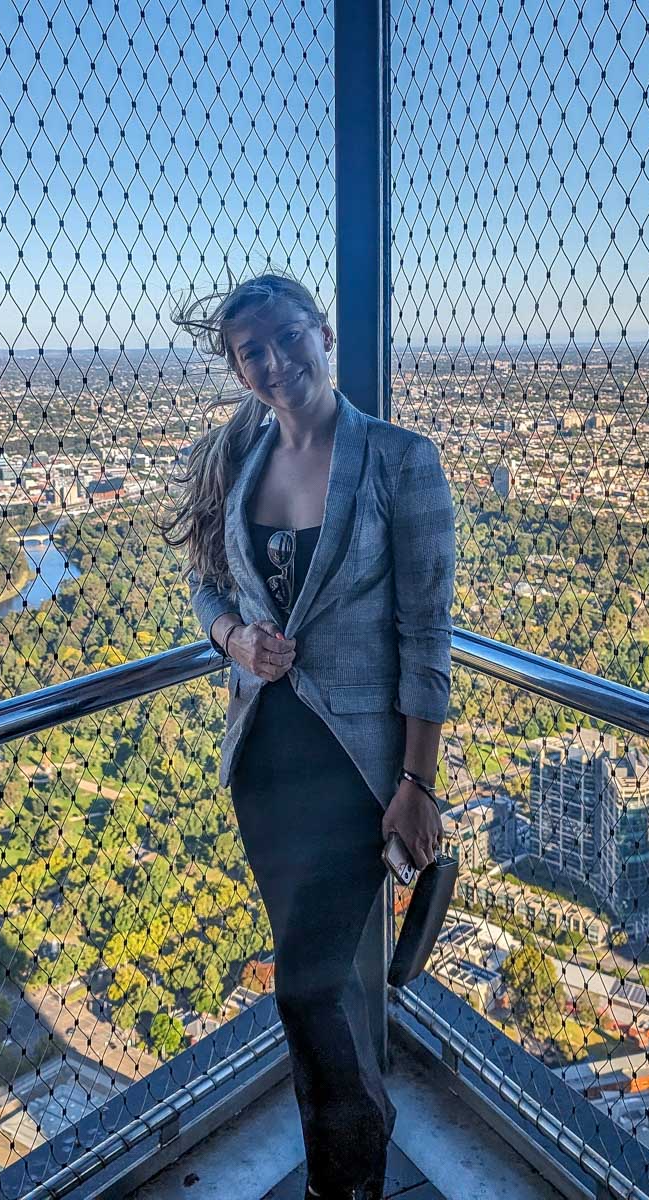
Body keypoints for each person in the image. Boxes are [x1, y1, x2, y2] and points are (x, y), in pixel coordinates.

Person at [158, 271, 455, 1199]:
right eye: (255, 351)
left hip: (359, 770)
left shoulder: (404, 461)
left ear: (324, 331)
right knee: (323, 986)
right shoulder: (233, 456)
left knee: (307, 988)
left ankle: (344, 1179)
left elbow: (427, 634)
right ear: (239, 369)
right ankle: (360, 1149)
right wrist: (233, 638)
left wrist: (419, 783)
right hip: (267, 765)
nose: (278, 360)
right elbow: (206, 586)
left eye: (291, 336)